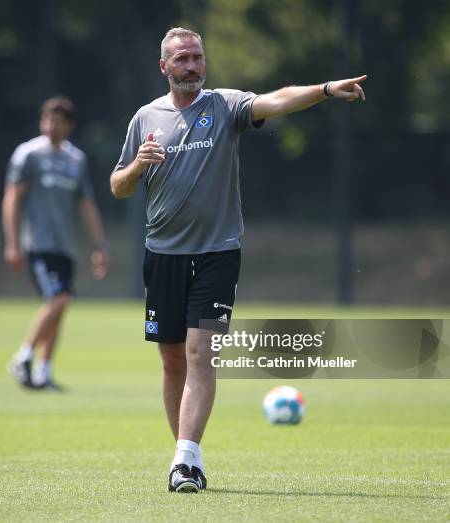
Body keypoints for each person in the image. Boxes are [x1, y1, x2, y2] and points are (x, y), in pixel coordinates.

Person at [110, 27, 366, 492]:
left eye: (198, 57)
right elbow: (118, 185)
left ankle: (185, 461)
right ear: (164, 67)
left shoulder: (226, 105)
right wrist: (139, 165)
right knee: (172, 363)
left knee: (200, 354)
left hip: (217, 253)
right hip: (162, 255)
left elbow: (279, 99)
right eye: (182, 59)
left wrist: (326, 90)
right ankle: (186, 455)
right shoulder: (145, 118)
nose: (192, 66)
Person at [3, 96, 109, 390]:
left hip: (65, 246)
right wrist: (12, 242)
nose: (51, 126)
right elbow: (12, 198)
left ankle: (44, 371)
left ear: (69, 126)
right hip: (38, 244)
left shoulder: (76, 160)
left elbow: (87, 204)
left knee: (60, 306)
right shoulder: (28, 154)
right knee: (59, 299)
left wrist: (100, 245)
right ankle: (23, 357)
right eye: (47, 120)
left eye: (58, 121)